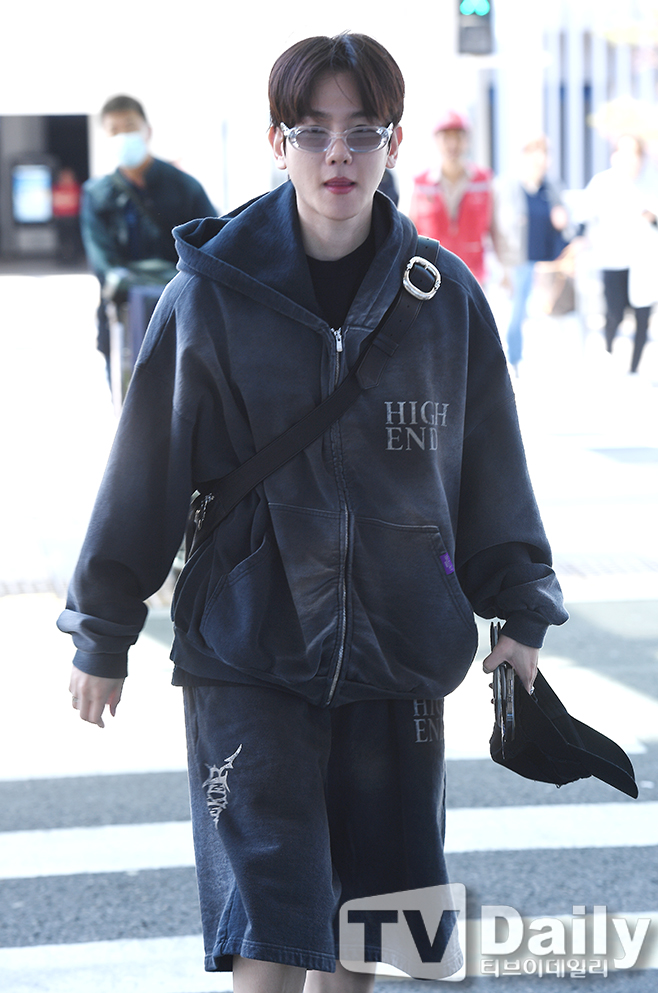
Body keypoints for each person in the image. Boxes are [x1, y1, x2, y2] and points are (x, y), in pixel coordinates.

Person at [59, 33, 567, 992]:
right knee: (271, 922)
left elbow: (490, 466)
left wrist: (520, 608)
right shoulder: (208, 298)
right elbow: (145, 471)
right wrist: (102, 631)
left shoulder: (443, 300)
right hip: (248, 645)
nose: (339, 153)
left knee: (370, 926)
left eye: (363, 131)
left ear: (394, 144)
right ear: (278, 142)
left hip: (397, 648)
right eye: (314, 131)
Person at [80, 94, 215, 369]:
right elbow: (103, 263)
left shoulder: (184, 187)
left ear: (147, 131)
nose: (123, 137)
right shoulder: (97, 195)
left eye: (129, 127)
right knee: (125, 387)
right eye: (114, 130)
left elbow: (213, 247)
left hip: (184, 314)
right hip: (122, 317)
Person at [580, 133, 658, 374]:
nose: (630, 158)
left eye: (635, 153)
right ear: (614, 155)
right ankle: (609, 358)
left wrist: (651, 218)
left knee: (643, 317)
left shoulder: (650, 183)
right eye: (624, 152)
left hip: (644, 264)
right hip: (613, 261)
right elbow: (584, 214)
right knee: (614, 314)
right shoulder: (603, 183)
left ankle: (634, 369)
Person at [493, 134, 572, 372]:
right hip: (521, 261)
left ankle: (548, 363)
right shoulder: (509, 186)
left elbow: (568, 224)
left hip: (550, 264)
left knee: (550, 315)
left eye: (544, 153)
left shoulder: (552, 186)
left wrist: (563, 220)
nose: (540, 159)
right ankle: (514, 362)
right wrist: (502, 265)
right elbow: (499, 226)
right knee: (517, 313)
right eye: (535, 153)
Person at [409, 110, 494, 282]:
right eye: (446, 138)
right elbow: (409, 230)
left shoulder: (484, 181)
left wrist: (506, 269)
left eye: (458, 137)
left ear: (468, 140)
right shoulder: (421, 184)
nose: (453, 144)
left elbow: (496, 228)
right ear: (436, 141)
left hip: (473, 277)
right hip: (430, 276)